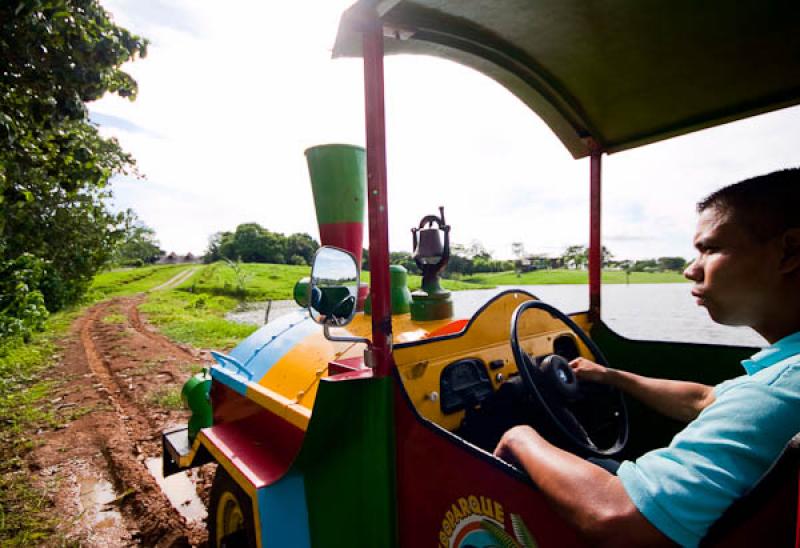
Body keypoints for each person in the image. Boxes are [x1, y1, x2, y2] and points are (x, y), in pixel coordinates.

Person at [494, 168, 800, 547]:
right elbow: (704, 400)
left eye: (710, 248)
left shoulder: (780, 389)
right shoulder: (784, 373)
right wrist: (611, 376)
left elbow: (617, 517)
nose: (691, 270)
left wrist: (520, 438)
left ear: (789, 252)